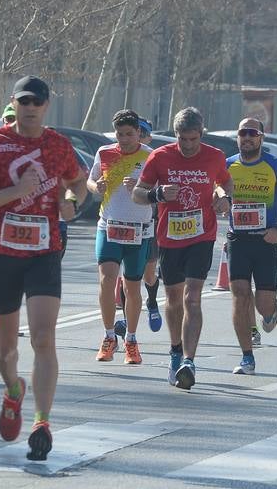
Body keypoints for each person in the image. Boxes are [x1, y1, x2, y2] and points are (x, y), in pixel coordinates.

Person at [0, 77, 86, 461]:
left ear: (47, 105)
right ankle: (14, 391)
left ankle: (42, 422)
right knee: (6, 349)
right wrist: (16, 191)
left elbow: (79, 184)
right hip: (2, 251)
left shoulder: (58, 145)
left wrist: (70, 201)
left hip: (44, 251)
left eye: (38, 101)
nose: (31, 106)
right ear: (13, 103)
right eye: (24, 100)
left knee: (44, 338)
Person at [134, 107, 232, 390]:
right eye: (182, 139)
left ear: (201, 134)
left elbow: (225, 181)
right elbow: (138, 193)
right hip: (169, 237)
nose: (188, 145)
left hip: (202, 236)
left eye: (193, 139)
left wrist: (225, 197)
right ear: (174, 134)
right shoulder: (160, 156)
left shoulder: (214, 156)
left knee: (192, 298)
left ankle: (189, 361)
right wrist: (157, 194)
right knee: (174, 300)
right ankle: (175, 350)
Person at [224, 118, 277, 375]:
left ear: (261, 137)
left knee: (263, 303)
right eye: (242, 133)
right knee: (240, 294)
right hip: (238, 239)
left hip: (266, 240)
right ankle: (247, 357)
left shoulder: (275, 166)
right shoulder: (228, 165)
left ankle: (270, 313)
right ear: (237, 137)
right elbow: (217, 191)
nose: (247, 138)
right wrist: (221, 199)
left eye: (252, 133)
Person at [89, 110, 152, 366]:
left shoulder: (150, 156)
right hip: (109, 225)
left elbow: (158, 190)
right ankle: (108, 336)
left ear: (139, 133)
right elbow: (90, 181)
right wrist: (97, 187)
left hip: (139, 229)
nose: (124, 139)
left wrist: (141, 187)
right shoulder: (104, 153)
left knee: (132, 287)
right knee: (106, 280)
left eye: (129, 134)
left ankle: (132, 341)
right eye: (120, 134)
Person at [133, 118, 164, 334]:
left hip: (150, 222)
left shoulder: (155, 157)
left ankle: (152, 302)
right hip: (125, 223)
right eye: (136, 131)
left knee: (149, 275)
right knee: (129, 275)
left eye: (143, 132)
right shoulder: (116, 155)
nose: (138, 135)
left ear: (149, 136)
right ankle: (126, 321)